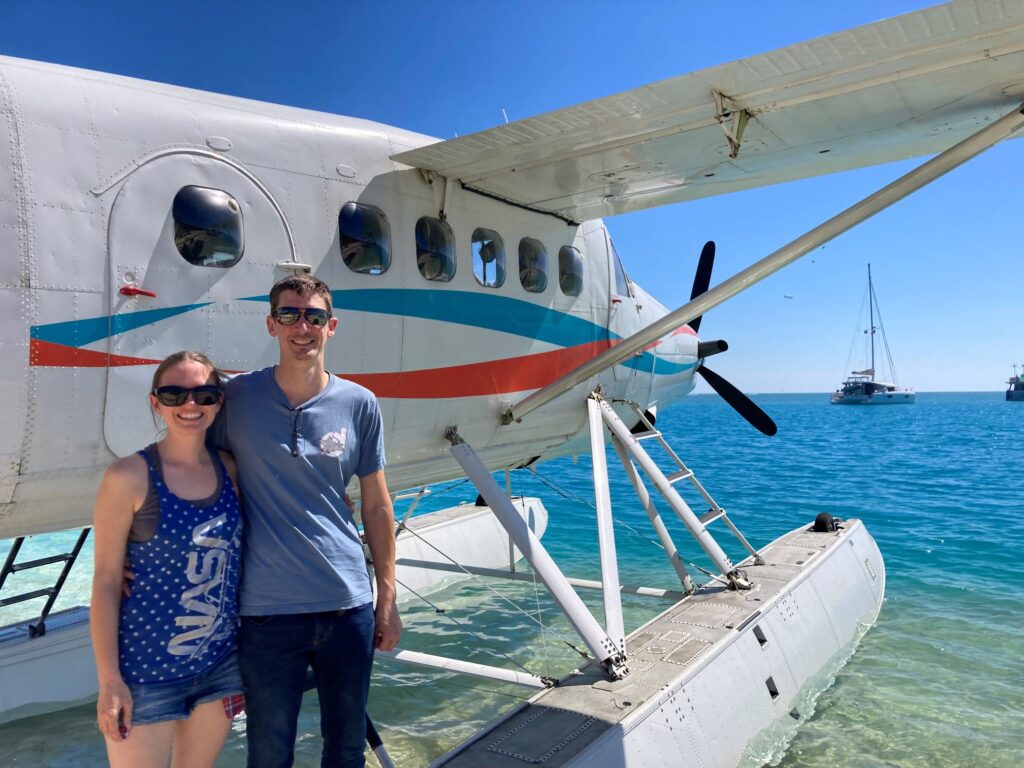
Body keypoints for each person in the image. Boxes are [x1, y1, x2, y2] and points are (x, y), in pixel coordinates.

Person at [214, 273, 401, 768]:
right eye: (290, 315)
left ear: (331, 326)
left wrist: (387, 597)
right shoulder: (236, 399)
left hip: (347, 606)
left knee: (344, 751)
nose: (303, 327)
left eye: (314, 316)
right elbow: (190, 473)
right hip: (266, 613)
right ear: (271, 324)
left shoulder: (359, 403)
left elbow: (378, 506)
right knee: (269, 753)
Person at [91, 351, 244, 768]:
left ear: (218, 402)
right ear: (155, 402)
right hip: (144, 675)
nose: (190, 405)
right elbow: (105, 583)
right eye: (174, 394)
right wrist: (110, 682)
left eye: (204, 394)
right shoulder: (128, 476)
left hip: (219, 665)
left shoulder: (230, 469)